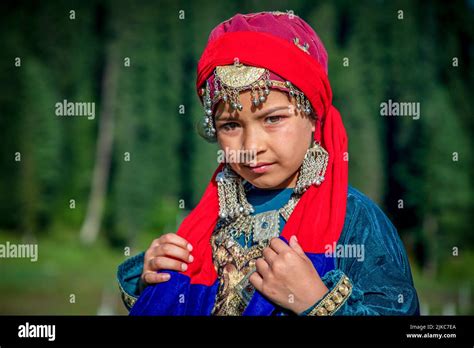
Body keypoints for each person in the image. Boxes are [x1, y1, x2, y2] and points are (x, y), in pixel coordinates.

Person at [117, 11, 420, 316]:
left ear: (314, 115)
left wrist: (317, 302)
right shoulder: (210, 220)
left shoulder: (355, 220)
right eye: (230, 126)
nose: (251, 147)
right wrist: (153, 282)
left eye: (273, 119)